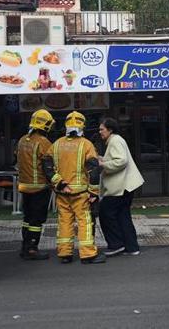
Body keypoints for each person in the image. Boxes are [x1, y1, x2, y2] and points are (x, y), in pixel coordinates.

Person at [51, 111, 106, 264]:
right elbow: (94, 170)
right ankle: (88, 254)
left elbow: (47, 167)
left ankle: (65, 254)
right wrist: (93, 192)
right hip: (81, 193)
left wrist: (60, 183)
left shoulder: (56, 144)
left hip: (62, 192)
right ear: (83, 125)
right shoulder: (86, 144)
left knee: (64, 222)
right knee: (85, 222)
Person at [98, 118, 145, 257]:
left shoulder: (115, 140)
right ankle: (131, 247)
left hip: (120, 187)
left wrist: (102, 164)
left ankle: (116, 244)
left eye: (102, 129)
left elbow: (121, 160)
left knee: (106, 213)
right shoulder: (117, 140)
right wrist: (103, 159)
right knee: (123, 216)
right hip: (127, 186)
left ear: (110, 129)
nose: (100, 131)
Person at [15, 109, 56, 260]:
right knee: (36, 220)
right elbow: (49, 164)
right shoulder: (43, 142)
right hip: (39, 187)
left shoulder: (22, 140)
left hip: (25, 186)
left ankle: (25, 246)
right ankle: (32, 248)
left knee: (27, 218)